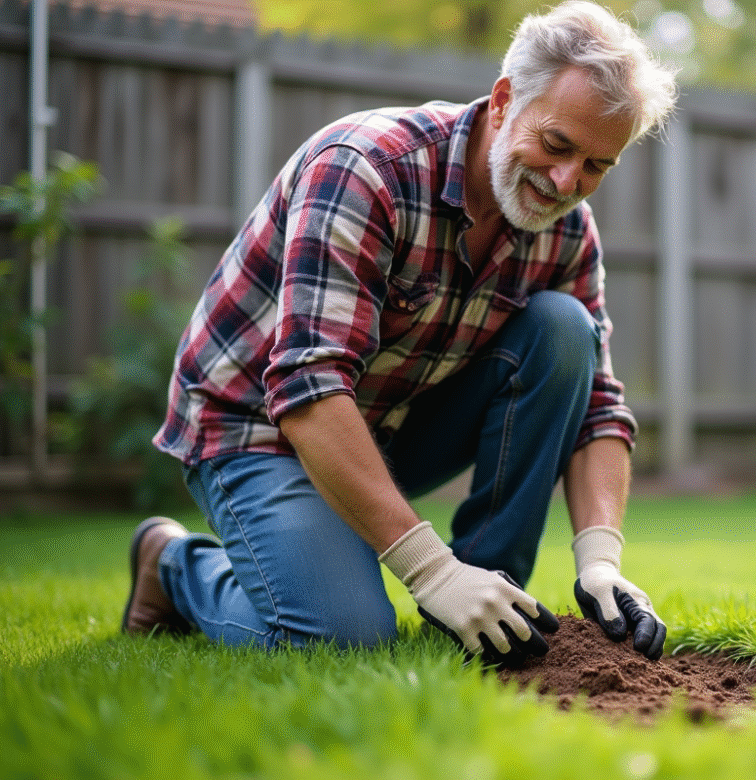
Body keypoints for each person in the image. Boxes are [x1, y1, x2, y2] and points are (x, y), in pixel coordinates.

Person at [121, 1, 678, 667]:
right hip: (257, 429)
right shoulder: (364, 169)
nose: (567, 183)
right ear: (504, 102)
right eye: (557, 146)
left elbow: (596, 407)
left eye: (596, 166)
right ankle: (176, 566)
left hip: (387, 421)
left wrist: (600, 562)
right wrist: (429, 570)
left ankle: (488, 603)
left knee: (565, 329)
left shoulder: (564, 230)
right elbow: (307, 383)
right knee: (343, 637)